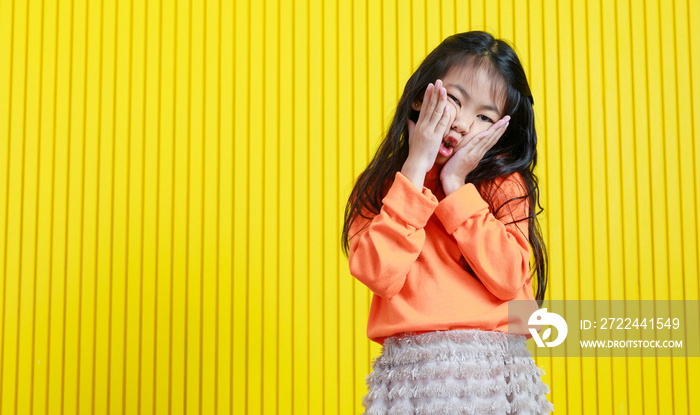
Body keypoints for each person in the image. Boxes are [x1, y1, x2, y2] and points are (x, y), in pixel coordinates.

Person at [341, 31, 555, 414]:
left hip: (493, 372)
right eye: (454, 100)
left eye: (485, 116)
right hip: (413, 376)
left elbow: (509, 278)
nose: (462, 124)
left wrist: (456, 187)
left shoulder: (503, 184)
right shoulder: (384, 187)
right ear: (422, 97)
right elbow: (377, 271)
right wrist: (416, 169)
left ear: (500, 130)